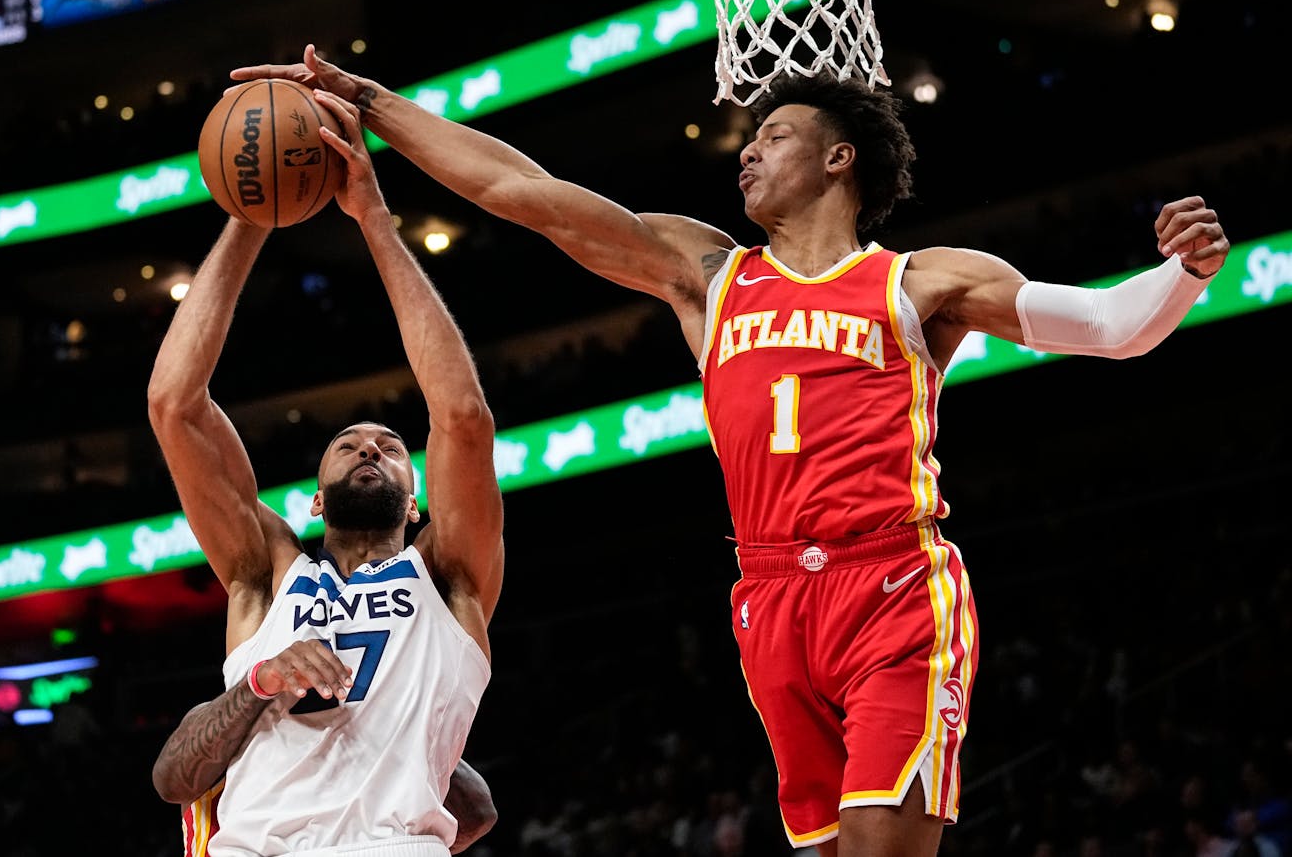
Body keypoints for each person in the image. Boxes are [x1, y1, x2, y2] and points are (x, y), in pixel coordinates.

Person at [230, 45, 1229, 857]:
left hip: (890, 582)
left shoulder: (920, 282)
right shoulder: (705, 276)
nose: (744, 152)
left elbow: (1107, 325)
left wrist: (1178, 273)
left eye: (773, 136)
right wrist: (370, 100)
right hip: (767, 603)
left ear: (838, 160)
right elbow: (514, 188)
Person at [147, 86, 505, 857]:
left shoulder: (449, 578)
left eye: (388, 445)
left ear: (417, 504)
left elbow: (464, 420)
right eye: (348, 442)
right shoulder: (264, 576)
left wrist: (373, 219)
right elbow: (174, 403)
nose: (371, 446)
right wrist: (254, 215)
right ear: (312, 499)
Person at [151, 657, 498, 855]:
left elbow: (478, 815)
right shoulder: (227, 718)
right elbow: (169, 783)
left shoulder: (359, 727)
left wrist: (387, 722)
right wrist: (258, 684)